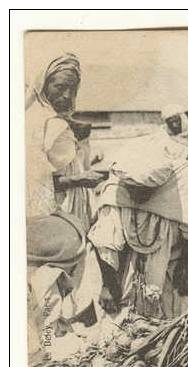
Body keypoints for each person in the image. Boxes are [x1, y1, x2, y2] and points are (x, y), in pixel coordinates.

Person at [90, 106, 188, 319]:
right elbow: (105, 241)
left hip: (176, 262)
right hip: (130, 264)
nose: (137, 196)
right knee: (125, 328)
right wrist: (108, 285)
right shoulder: (116, 187)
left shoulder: (183, 183)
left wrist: (185, 266)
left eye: (145, 190)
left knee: (182, 318)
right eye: (133, 188)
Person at [25, 53, 106, 348]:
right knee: (56, 276)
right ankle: (53, 347)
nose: (67, 95)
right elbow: (36, 181)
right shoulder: (42, 124)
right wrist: (81, 179)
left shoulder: (53, 122)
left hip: (64, 212)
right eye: (59, 87)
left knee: (62, 279)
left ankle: (59, 342)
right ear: (42, 85)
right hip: (50, 216)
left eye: (72, 88)